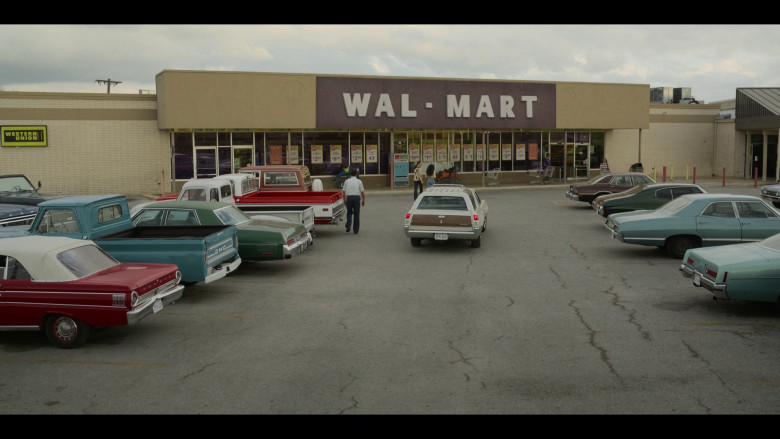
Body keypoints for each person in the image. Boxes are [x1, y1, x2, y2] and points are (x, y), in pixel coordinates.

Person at [342, 168, 365, 234]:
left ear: (350, 174)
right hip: (356, 198)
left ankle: (348, 225)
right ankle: (356, 230)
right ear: (356, 174)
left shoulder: (347, 181)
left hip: (349, 198)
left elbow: (343, 191)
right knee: (356, 214)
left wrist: (344, 200)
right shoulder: (359, 181)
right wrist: (363, 200)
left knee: (349, 212)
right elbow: (362, 192)